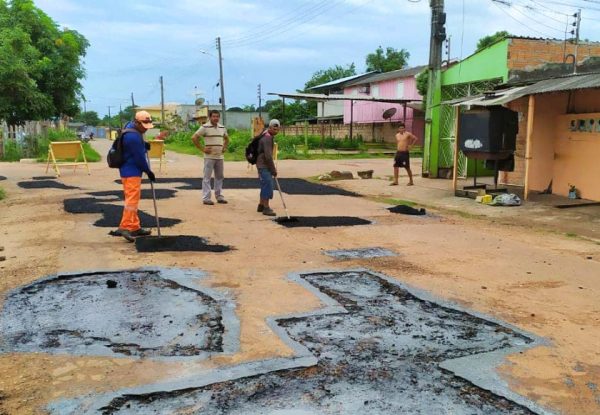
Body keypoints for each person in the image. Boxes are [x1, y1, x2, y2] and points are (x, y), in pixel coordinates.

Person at [116, 110, 156, 242]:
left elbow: (136, 150)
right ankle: (126, 227)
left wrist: (144, 146)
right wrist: (148, 172)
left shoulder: (129, 128)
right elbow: (139, 158)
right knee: (132, 201)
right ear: (137, 122)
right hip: (131, 171)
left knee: (132, 199)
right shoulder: (133, 137)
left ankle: (135, 226)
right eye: (143, 127)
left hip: (127, 170)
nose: (145, 130)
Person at [192, 110, 229, 205]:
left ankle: (219, 196)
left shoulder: (222, 127)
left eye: (217, 116)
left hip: (220, 157)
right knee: (207, 177)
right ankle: (206, 198)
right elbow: (194, 137)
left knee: (220, 177)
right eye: (214, 116)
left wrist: (224, 147)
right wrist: (202, 148)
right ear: (210, 117)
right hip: (209, 157)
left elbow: (226, 138)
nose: (215, 118)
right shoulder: (204, 127)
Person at [256, 119, 281, 216]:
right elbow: (268, 156)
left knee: (264, 185)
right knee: (268, 186)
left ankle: (261, 205)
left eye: (277, 129)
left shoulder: (265, 134)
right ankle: (266, 208)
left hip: (261, 164)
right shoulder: (267, 138)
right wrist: (273, 169)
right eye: (273, 128)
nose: (276, 130)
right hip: (264, 165)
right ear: (269, 127)